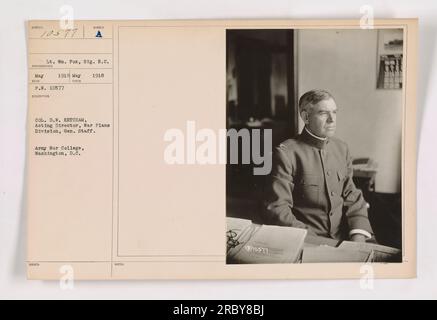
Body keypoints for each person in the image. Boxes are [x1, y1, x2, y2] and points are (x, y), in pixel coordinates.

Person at [264, 89, 373, 242]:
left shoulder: (341, 148)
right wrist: (317, 243)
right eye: (323, 113)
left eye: (334, 112)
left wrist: (358, 236)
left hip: (343, 238)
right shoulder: (286, 153)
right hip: (306, 241)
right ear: (306, 117)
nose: (332, 119)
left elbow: (352, 196)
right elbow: (278, 208)